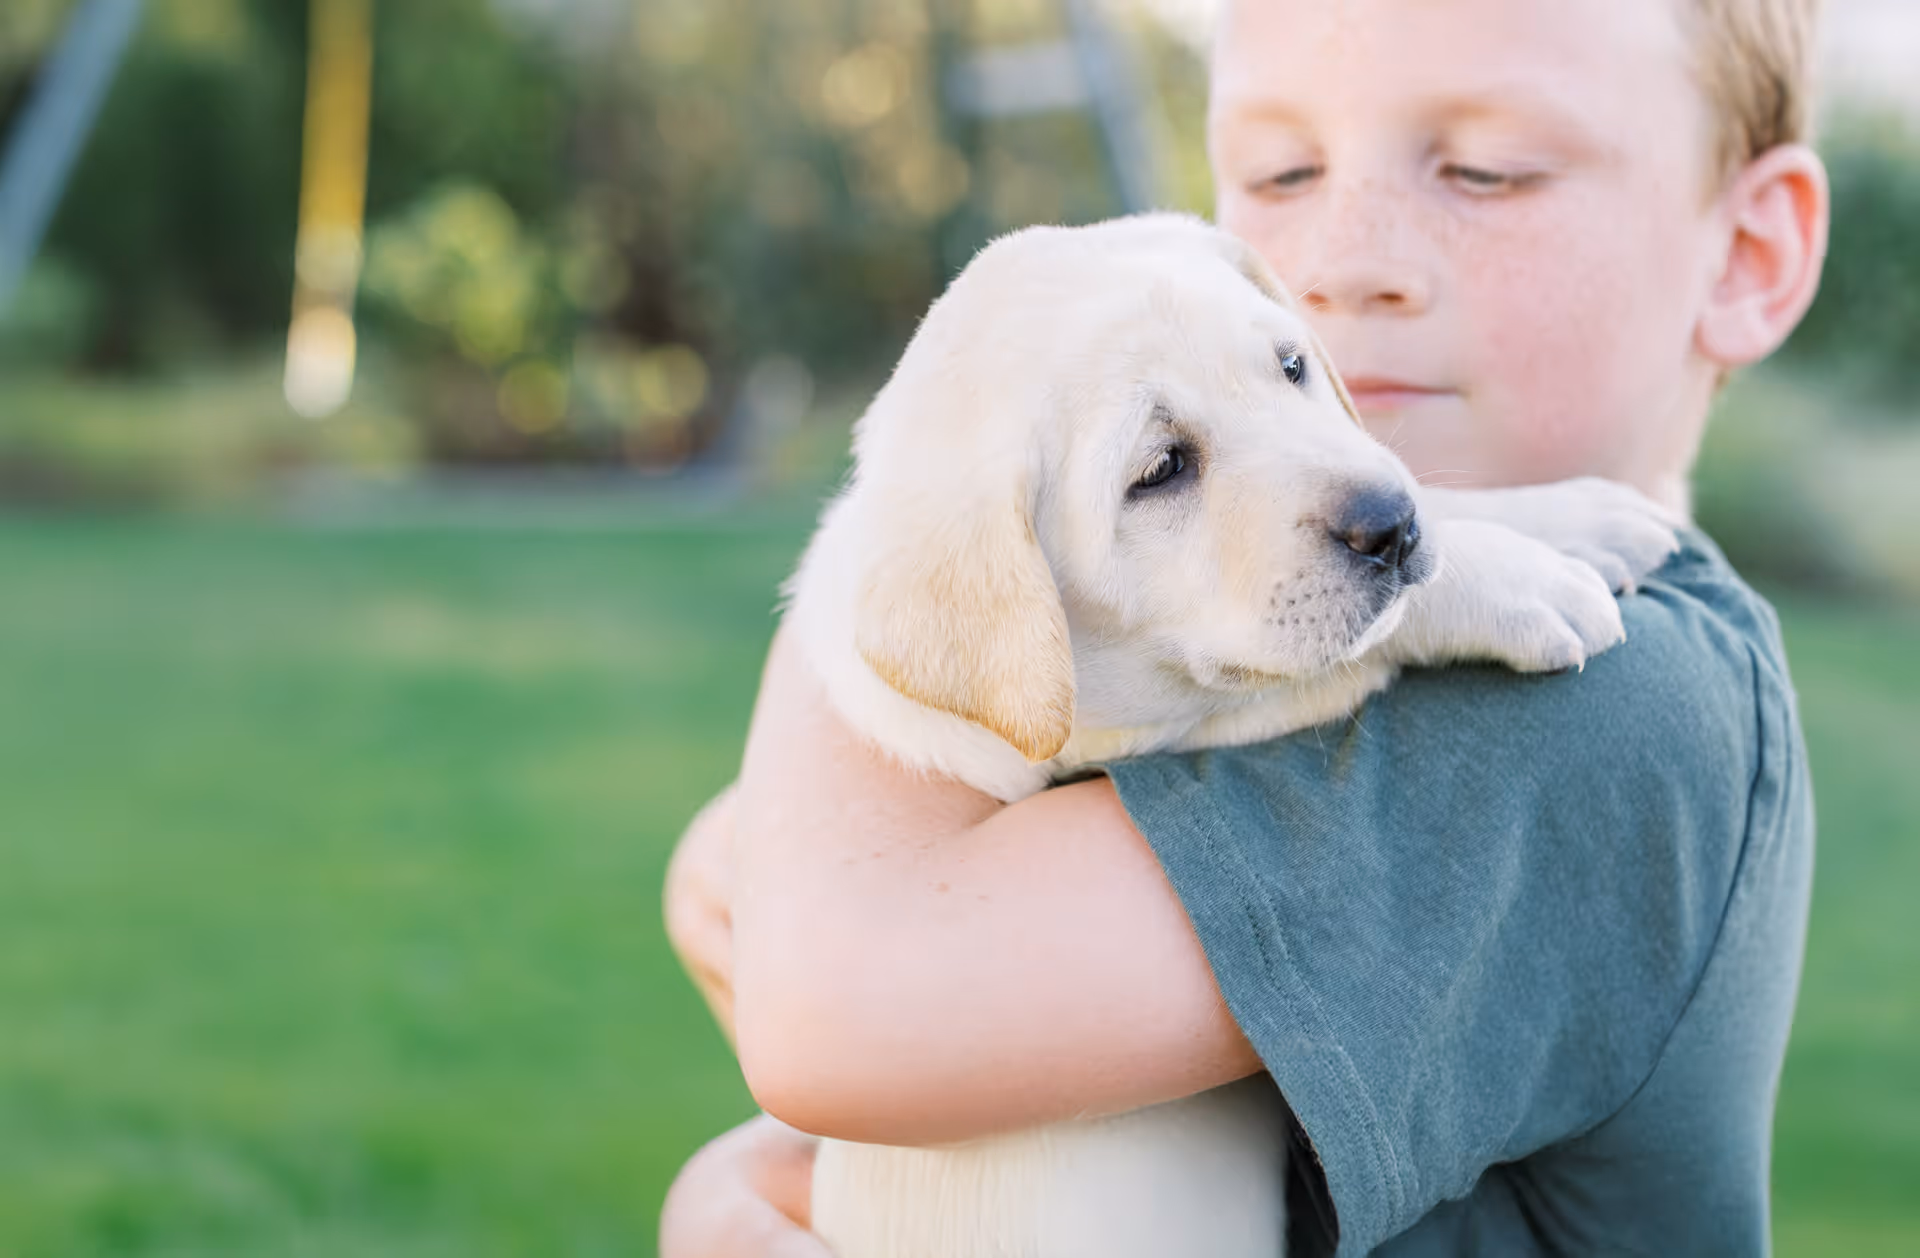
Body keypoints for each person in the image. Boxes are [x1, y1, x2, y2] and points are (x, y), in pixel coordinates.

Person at [660, 0, 1829, 1252]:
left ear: (1747, 256)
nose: (1340, 256)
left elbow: (840, 999)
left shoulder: (1606, 710)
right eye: (1280, 170)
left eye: (1484, 170)